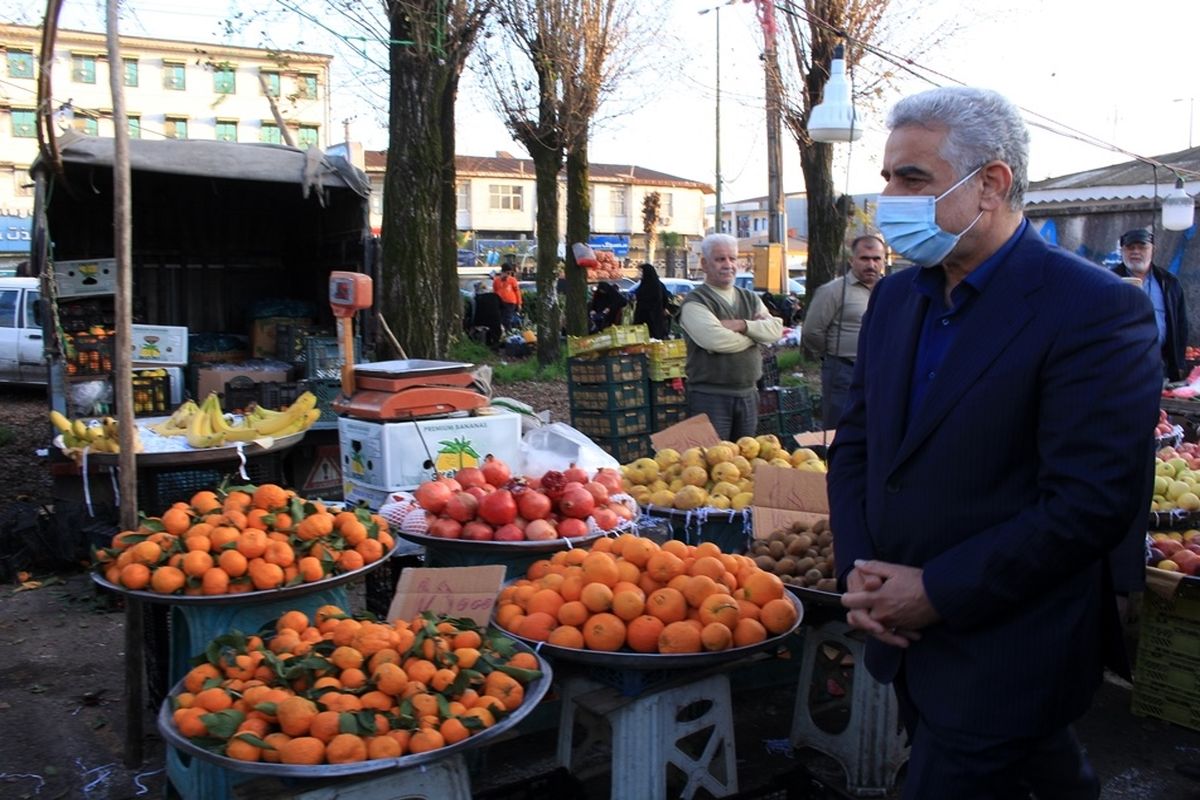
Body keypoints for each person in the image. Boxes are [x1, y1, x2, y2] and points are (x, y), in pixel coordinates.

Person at [829, 86, 1161, 800]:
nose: (888, 196)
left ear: (991, 183)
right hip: (901, 633)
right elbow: (857, 445)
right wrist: (858, 571)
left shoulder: (1097, 311)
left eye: (911, 178)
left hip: (1011, 644)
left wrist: (939, 591)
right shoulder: (896, 298)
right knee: (1047, 774)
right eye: (886, 176)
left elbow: (1090, 501)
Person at [679, 233, 783, 440]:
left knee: (743, 464)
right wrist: (755, 335)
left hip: (748, 394)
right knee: (709, 463)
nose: (728, 265)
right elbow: (715, 341)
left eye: (732, 258)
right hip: (709, 398)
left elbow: (775, 331)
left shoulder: (750, 298)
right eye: (720, 259)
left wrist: (741, 325)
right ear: (704, 263)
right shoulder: (695, 302)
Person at [801, 235, 886, 428]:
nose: (871, 265)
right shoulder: (833, 291)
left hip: (882, 371)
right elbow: (812, 332)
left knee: (877, 427)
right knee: (840, 427)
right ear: (852, 260)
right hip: (844, 372)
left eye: (876, 259)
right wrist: (835, 355)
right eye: (864, 258)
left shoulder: (890, 290)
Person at [1111, 228, 1189, 381]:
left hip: (1159, 363)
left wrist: (1179, 363)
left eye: (1142, 247)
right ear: (1122, 251)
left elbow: (1181, 325)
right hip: (1119, 364)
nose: (1135, 252)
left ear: (1153, 250)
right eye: (1130, 247)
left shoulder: (1169, 283)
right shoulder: (1109, 280)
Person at [632, 262, 672, 339]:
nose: (640, 273)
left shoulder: (655, 285)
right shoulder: (645, 284)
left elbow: (664, 298)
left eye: (642, 271)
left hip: (652, 316)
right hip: (646, 315)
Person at [493, 263, 522, 330]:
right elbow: (495, 291)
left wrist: (519, 303)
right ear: (503, 272)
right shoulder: (496, 280)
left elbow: (517, 292)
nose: (508, 275)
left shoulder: (512, 280)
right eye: (507, 273)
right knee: (500, 319)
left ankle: (508, 332)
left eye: (509, 273)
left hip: (510, 302)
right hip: (500, 302)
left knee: (507, 319)